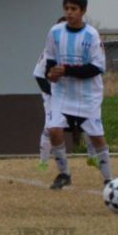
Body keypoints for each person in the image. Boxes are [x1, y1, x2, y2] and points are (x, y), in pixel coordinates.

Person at [43, 0, 112, 189]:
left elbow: (96, 68)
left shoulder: (91, 35)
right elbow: (49, 61)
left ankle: (108, 178)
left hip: (88, 95)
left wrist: (66, 70)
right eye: (66, 8)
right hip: (62, 93)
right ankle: (64, 174)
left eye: (74, 9)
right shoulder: (55, 32)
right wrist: (51, 74)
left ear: (83, 11)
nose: (69, 13)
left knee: (96, 136)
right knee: (54, 129)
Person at [33, 17, 98, 172]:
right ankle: (43, 162)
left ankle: (92, 156)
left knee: (88, 123)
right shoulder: (50, 52)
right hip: (53, 97)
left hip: (76, 94)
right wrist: (52, 93)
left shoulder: (80, 49)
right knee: (50, 128)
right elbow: (38, 75)